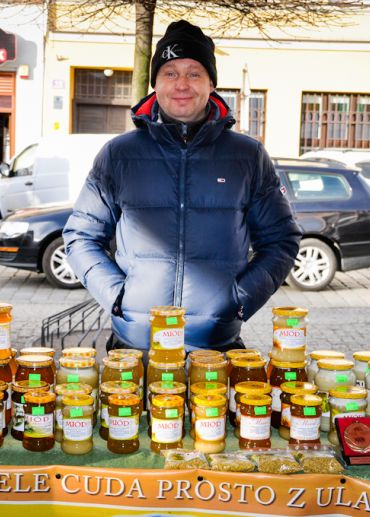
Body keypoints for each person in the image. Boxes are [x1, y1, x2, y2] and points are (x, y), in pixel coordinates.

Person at [63, 20, 301, 355]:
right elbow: (80, 236)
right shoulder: (119, 155)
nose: (182, 84)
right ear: (155, 83)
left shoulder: (248, 156)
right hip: (133, 348)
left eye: (194, 73)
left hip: (216, 348)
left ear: (211, 83)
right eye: (170, 73)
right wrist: (118, 296)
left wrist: (239, 301)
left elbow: (281, 239)